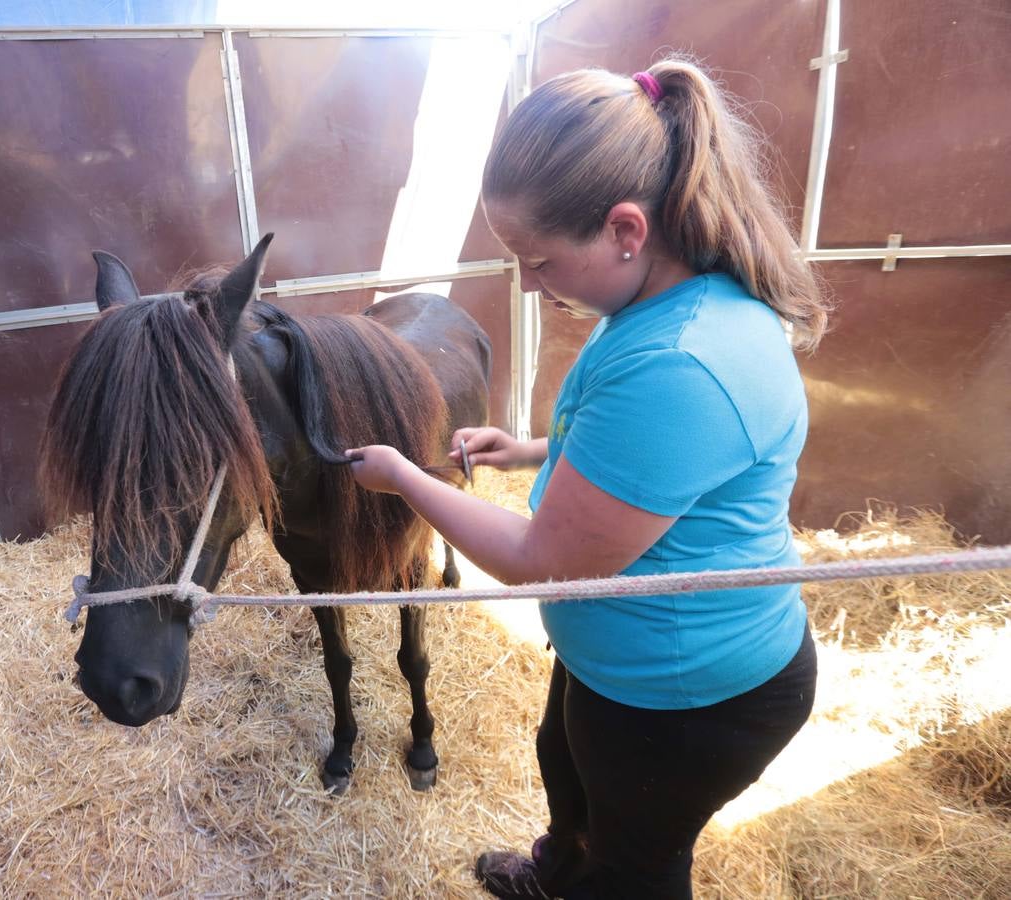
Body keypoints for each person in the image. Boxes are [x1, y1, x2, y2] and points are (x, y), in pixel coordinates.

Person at [346, 59, 828, 899]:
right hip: (625, 662)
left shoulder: (681, 364)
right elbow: (640, 457)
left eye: (537, 261)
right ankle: (556, 869)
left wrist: (405, 482)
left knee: (634, 868)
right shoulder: (663, 300)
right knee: (564, 770)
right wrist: (531, 449)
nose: (529, 286)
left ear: (625, 231)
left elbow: (544, 561)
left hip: (685, 695)